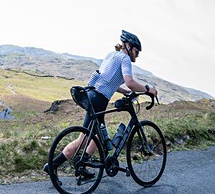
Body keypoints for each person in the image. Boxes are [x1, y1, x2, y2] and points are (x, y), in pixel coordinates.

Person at [44, 30, 158, 174]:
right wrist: (148, 89)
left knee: (96, 136)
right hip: (99, 99)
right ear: (128, 46)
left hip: (91, 95)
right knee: (83, 140)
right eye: (137, 50)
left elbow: (107, 80)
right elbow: (130, 82)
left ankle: (82, 166)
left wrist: (125, 91)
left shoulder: (111, 55)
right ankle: (53, 165)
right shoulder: (125, 59)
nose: (138, 54)